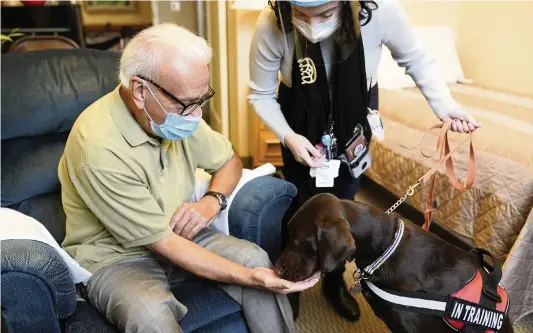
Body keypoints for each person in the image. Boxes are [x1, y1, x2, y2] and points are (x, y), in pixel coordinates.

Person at [59, 23, 319, 333]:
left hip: (180, 232)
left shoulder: (174, 115)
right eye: (187, 103)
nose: (196, 115)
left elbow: (229, 162)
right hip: (116, 256)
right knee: (150, 315)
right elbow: (163, 243)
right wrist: (248, 278)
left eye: (202, 98)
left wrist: (213, 201)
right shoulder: (97, 147)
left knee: (255, 258)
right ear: (141, 91)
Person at [248, 0, 481, 321]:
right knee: (299, 203)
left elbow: (414, 58)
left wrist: (445, 106)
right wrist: (289, 137)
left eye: (326, 14)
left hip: (353, 121)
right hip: (299, 124)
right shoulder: (271, 22)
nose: (313, 26)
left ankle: (333, 283)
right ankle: (292, 278)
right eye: (301, 15)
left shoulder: (382, 12)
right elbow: (260, 93)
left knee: (344, 204)